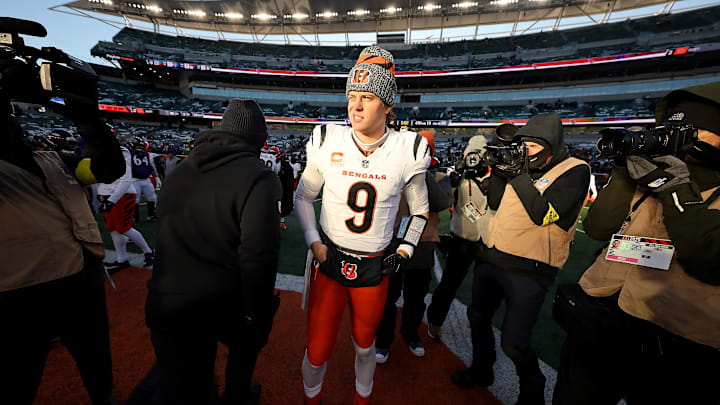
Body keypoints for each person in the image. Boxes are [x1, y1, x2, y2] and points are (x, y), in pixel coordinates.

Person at [553, 82, 720, 405]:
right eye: (671, 129)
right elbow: (598, 227)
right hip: (606, 317)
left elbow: (710, 256)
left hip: (681, 340)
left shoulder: (675, 181)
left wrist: (677, 188)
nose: (674, 138)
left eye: (690, 130)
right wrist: (622, 170)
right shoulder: (649, 176)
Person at [294, 46, 431, 405]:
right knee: (318, 348)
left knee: (365, 345)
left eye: (367, 97)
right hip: (329, 258)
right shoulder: (327, 138)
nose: (355, 105)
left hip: (374, 264)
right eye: (352, 96)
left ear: (387, 105)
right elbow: (303, 197)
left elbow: (420, 212)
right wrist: (313, 242)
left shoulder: (409, 147)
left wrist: (404, 250)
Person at [0, 19, 124, 402]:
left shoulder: (54, 161)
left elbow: (108, 169)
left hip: (80, 283)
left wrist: (90, 121)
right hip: (18, 297)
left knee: (100, 377)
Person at [146, 99, 282, 405]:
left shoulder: (179, 171)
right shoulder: (257, 177)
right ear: (259, 141)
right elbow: (259, 255)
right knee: (249, 338)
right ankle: (236, 396)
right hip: (217, 304)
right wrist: (257, 312)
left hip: (165, 300)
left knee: (179, 393)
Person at [452, 113, 589, 405]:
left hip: (531, 266)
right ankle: (481, 369)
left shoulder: (575, 169)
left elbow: (545, 214)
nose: (526, 151)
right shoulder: (521, 166)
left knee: (514, 343)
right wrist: (502, 172)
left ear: (550, 145)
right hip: (493, 255)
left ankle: (532, 393)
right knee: (477, 316)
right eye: (522, 144)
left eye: (533, 146)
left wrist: (519, 174)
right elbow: (496, 202)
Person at [426, 124, 518, 340]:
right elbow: (442, 188)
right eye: (471, 155)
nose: (474, 160)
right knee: (449, 283)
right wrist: (456, 174)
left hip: (489, 239)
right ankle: (435, 319)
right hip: (462, 237)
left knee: (483, 289)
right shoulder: (460, 177)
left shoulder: (499, 176)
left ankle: (477, 323)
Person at [375, 129, 453, 363]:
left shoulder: (439, 176)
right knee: (388, 296)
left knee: (415, 297)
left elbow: (441, 203)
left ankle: (410, 333)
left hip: (423, 243)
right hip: (393, 241)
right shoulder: (393, 169)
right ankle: (383, 340)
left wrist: (423, 173)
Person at [98, 139, 155, 271]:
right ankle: (121, 259)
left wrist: (112, 199)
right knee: (112, 227)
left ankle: (148, 252)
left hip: (123, 193)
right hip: (107, 193)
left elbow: (126, 178)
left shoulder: (121, 151)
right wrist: (101, 192)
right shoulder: (100, 152)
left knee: (124, 228)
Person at [129, 136, 160, 223]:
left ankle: (151, 215)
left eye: (141, 146)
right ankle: (135, 217)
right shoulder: (129, 154)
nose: (140, 147)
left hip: (146, 179)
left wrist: (156, 177)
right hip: (134, 180)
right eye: (138, 145)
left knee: (152, 198)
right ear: (133, 145)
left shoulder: (145, 154)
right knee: (136, 200)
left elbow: (150, 166)